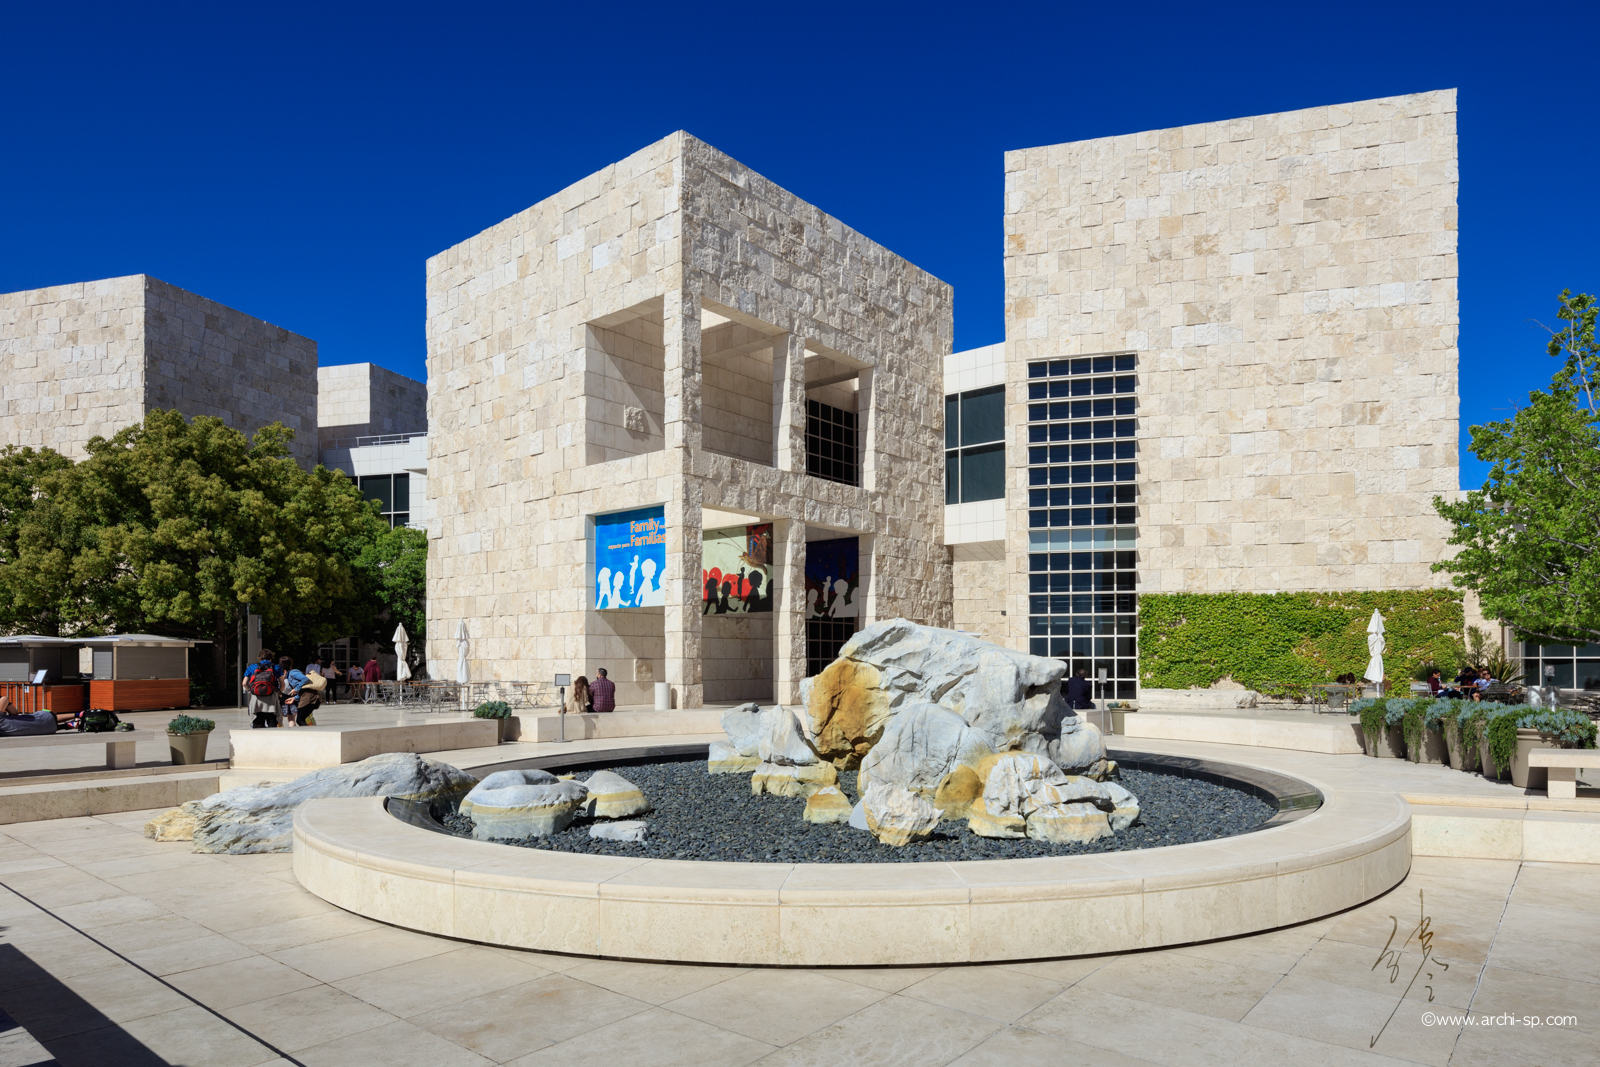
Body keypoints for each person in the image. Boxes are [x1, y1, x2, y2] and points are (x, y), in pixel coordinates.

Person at [243, 648, 281, 729]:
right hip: (271, 698)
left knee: (258, 723)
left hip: (256, 699)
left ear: (259, 657)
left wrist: (250, 690)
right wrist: (279, 691)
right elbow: (282, 683)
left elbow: (244, 683)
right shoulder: (276, 667)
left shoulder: (252, 667)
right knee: (272, 723)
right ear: (271, 658)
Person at [278, 656, 308, 726]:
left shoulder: (280, 673)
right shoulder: (292, 672)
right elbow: (305, 679)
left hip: (288, 697)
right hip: (292, 697)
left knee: (290, 719)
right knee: (291, 718)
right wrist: (297, 688)